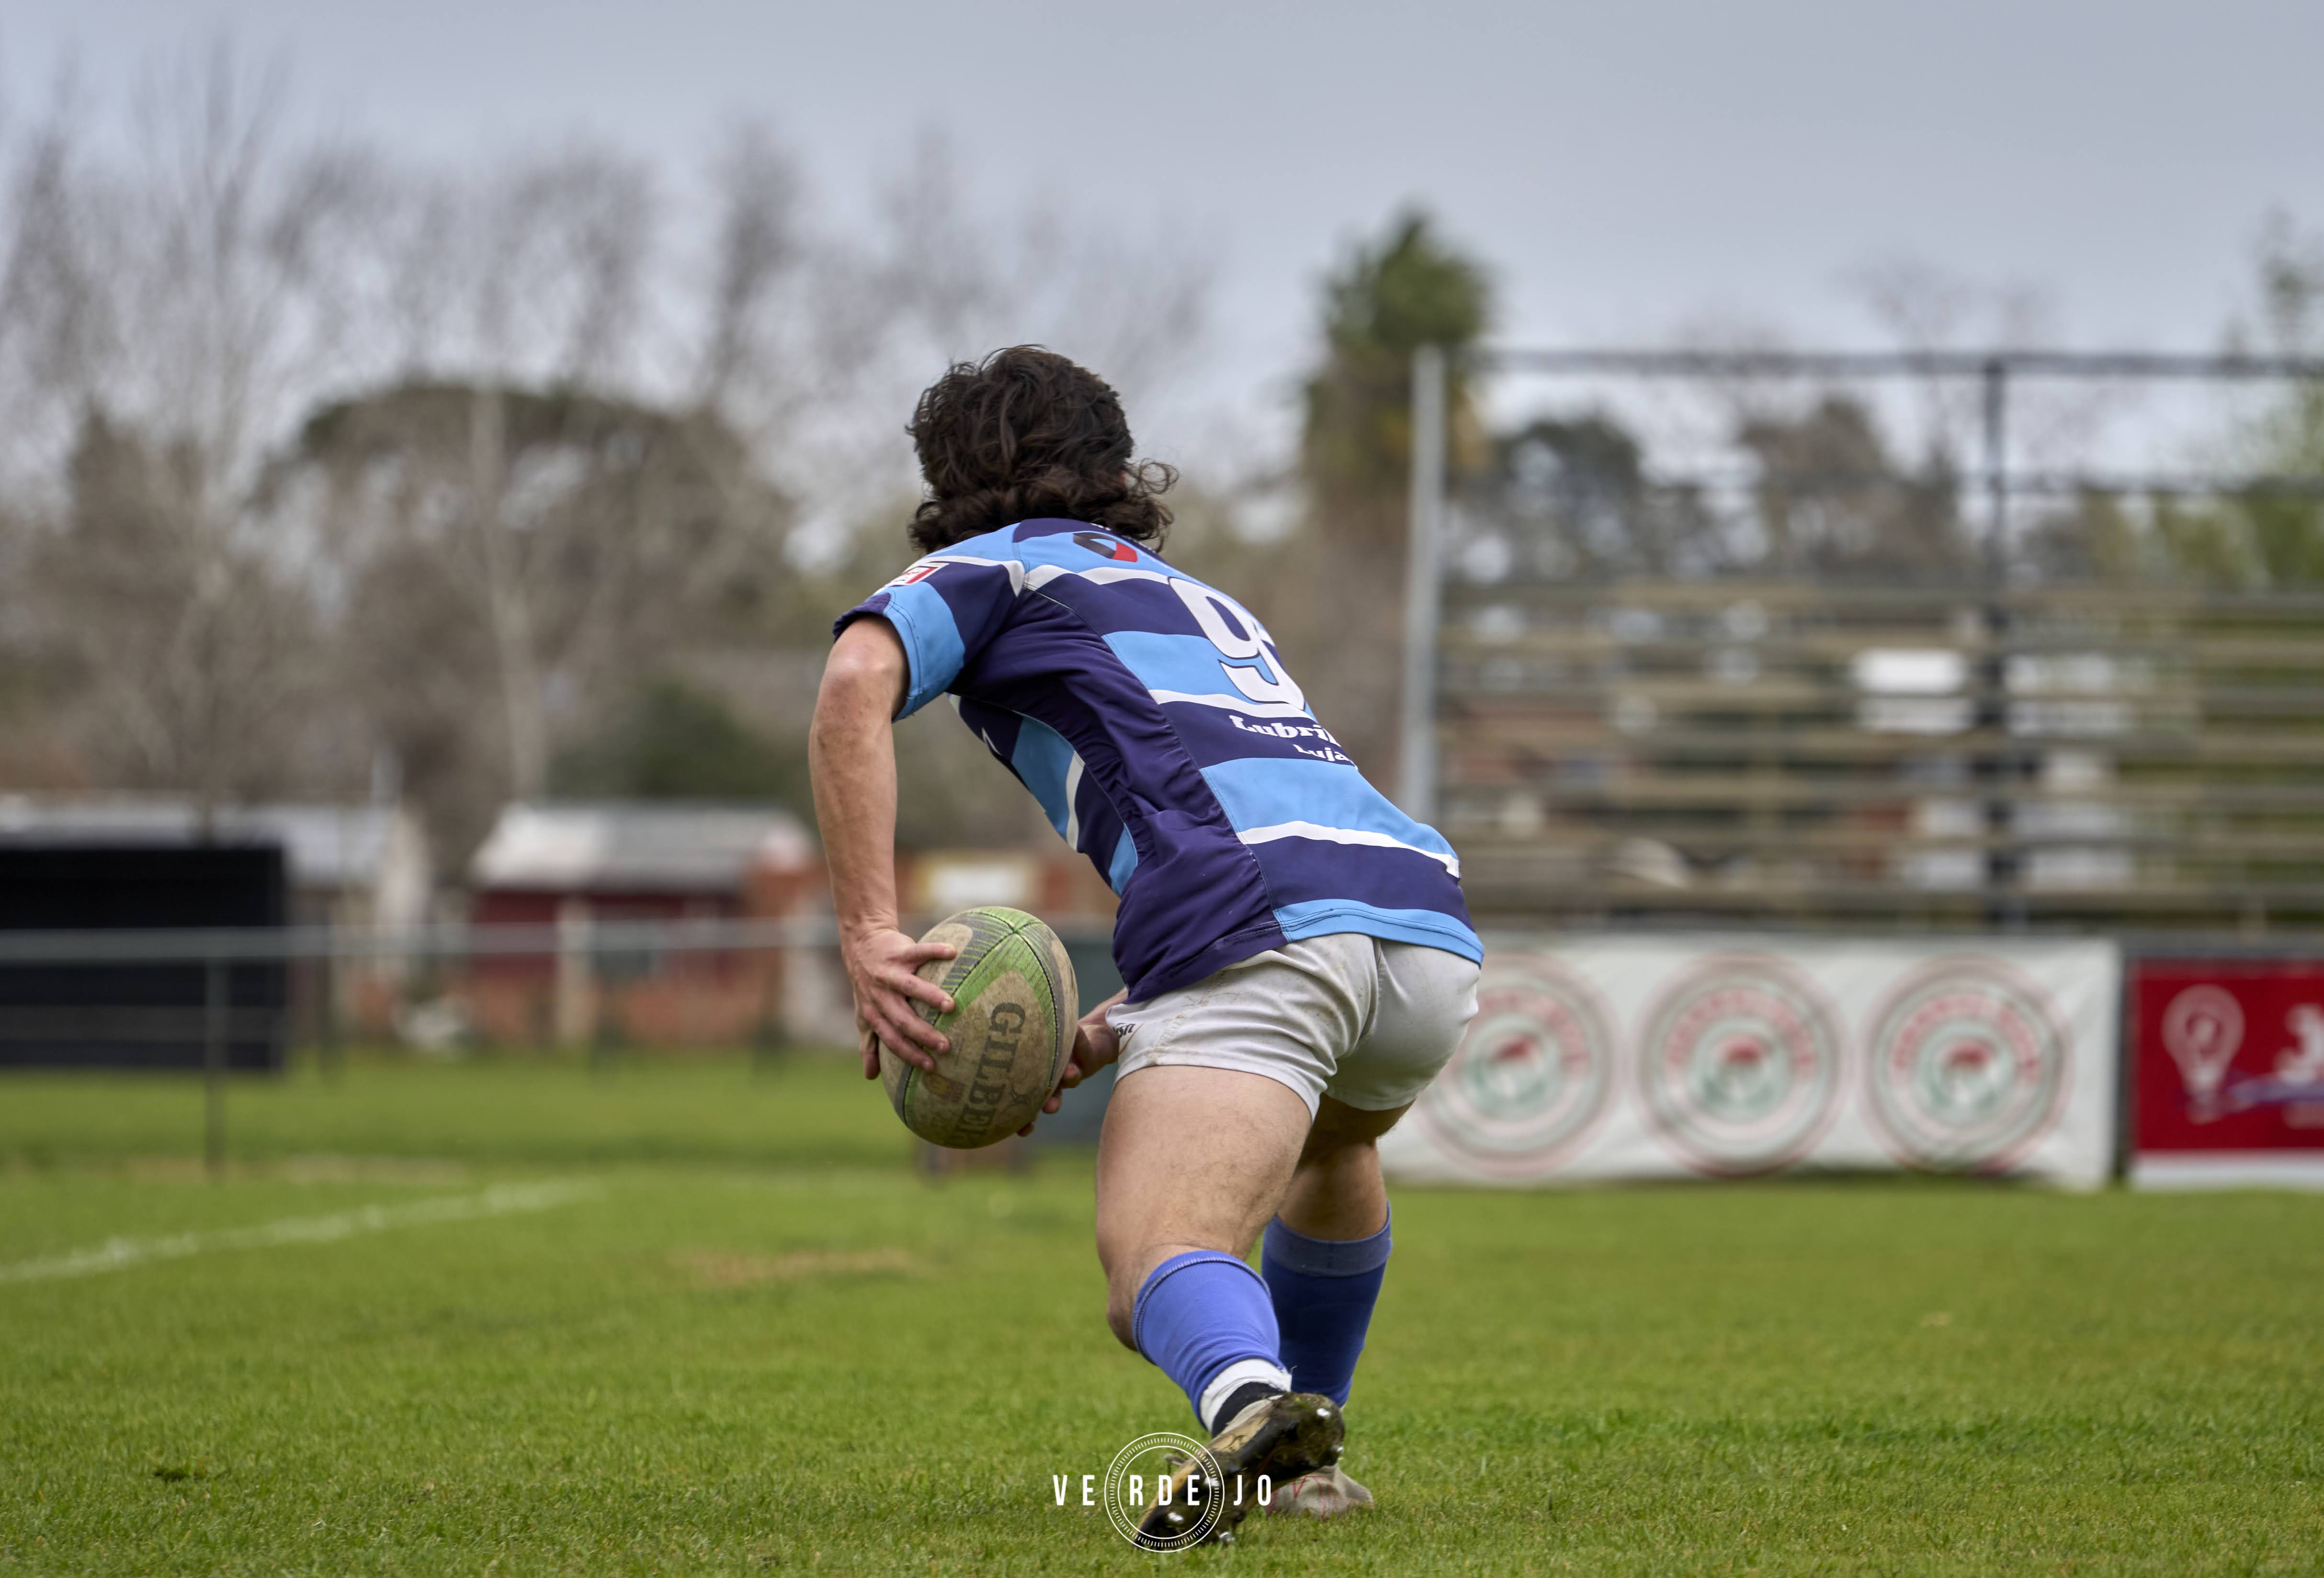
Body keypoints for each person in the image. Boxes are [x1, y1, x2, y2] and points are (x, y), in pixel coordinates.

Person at [809, 346, 1480, 1547]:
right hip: (1419, 920)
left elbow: (855, 678)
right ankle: (1306, 1471)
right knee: (1331, 1145)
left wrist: (867, 929)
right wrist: (1130, 1020)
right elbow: (1265, 816)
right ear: (1115, 467)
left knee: (1155, 1258)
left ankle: (1249, 1402)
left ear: (948, 481)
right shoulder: (1204, 600)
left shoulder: (987, 570)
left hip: (1260, 919)